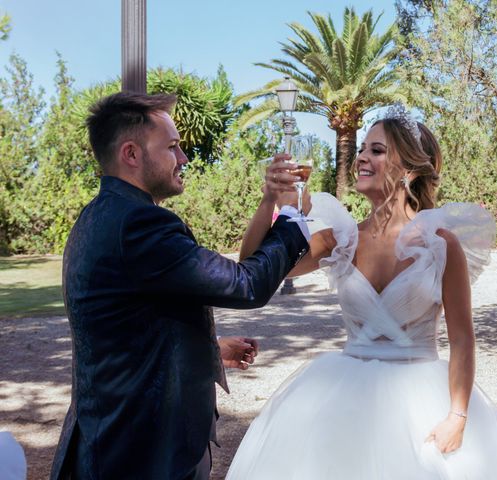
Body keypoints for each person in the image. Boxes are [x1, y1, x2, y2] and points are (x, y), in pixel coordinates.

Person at [226, 105, 497, 479]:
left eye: (376, 150)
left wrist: (458, 415)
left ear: (407, 169)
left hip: (421, 399)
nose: (361, 157)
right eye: (362, 149)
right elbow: (253, 270)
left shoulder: (440, 244)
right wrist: (269, 201)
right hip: (342, 395)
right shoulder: (340, 239)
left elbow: (462, 339)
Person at [49, 92, 310, 480]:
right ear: (132, 154)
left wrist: (208, 350)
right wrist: (291, 217)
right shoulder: (140, 225)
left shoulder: (97, 217)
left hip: (109, 441)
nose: (184, 158)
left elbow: (125, 329)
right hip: (142, 453)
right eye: (172, 147)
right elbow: (246, 285)